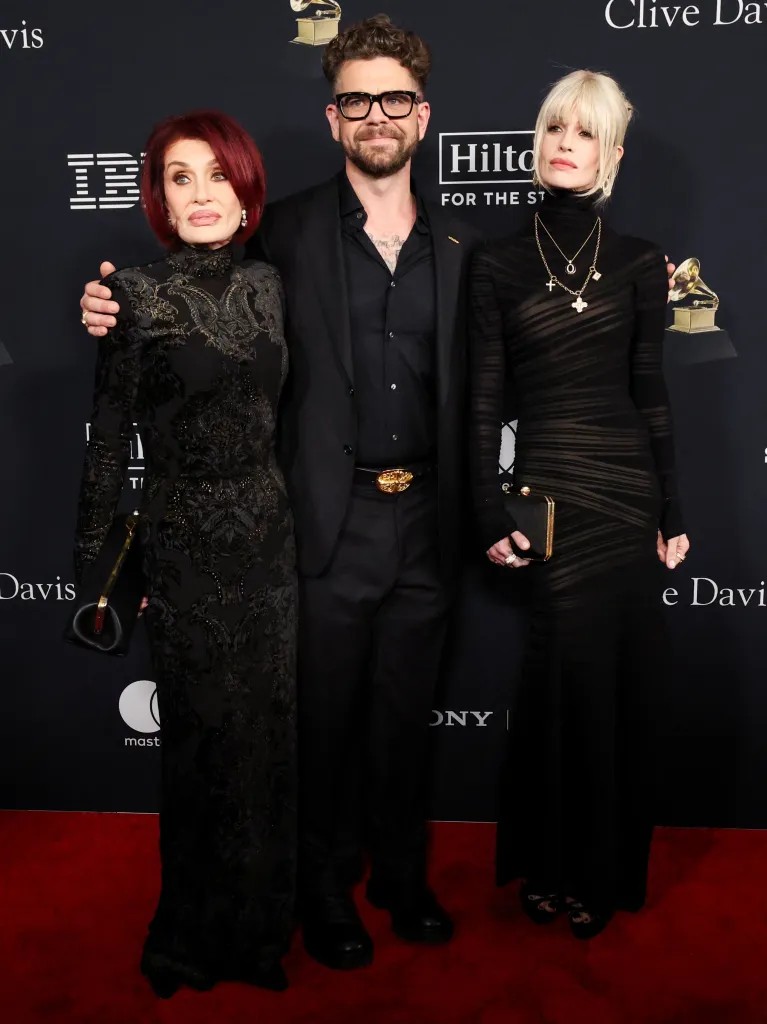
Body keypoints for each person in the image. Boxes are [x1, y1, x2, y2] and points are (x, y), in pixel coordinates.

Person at [80, 16, 480, 971]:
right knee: (323, 725)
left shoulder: (468, 247)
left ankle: (402, 878)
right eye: (355, 100)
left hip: (429, 516)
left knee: (405, 717)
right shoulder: (284, 233)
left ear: (422, 117)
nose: (375, 115)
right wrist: (106, 306)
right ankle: (326, 893)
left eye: (394, 99)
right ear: (332, 117)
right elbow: (195, 305)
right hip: (322, 517)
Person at [74, 111, 296, 996]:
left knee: (265, 747)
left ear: (246, 193)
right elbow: (106, 441)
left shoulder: (272, 284)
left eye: (217, 175)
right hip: (184, 546)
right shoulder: (130, 295)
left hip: (271, 545)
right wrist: (97, 571)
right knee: (200, 746)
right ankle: (187, 941)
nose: (201, 194)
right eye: (180, 177)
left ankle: (259, 936)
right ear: (160, 199)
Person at [468, 70, 690, 939]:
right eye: (556, 127)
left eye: (586, 132)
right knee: (561, 678)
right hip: (550, 494)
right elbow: (483, 402)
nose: (566, 143)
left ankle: (600, 870)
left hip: (625, 495)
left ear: (612, 155)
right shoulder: (494, 262)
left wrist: (670, 510)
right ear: (538, 139)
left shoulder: (637, 261)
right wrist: (486, 509)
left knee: (614, 688)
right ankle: (550, 861)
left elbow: (650, 391)